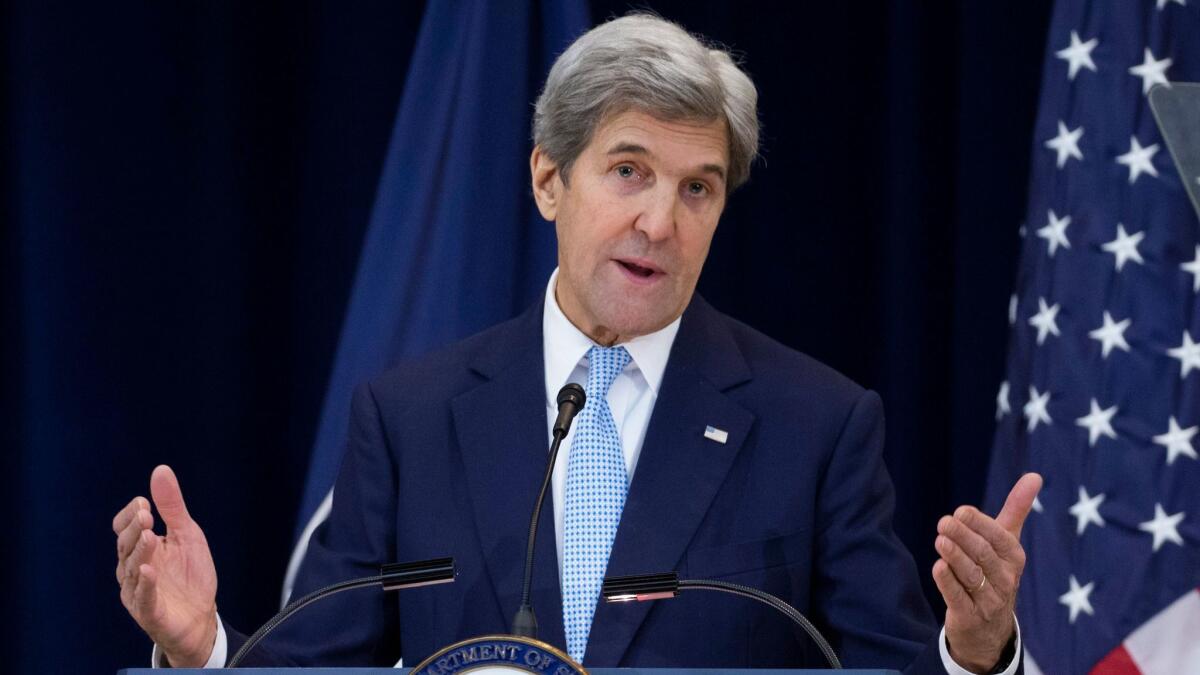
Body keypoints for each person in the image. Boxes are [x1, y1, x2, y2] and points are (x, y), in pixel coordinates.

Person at [112, 14, 1040, 674]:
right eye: (629, 171)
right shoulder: (410, 417)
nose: (659, 221)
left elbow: (894, 667)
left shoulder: (819, 424)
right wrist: (204, 653)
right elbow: (313, 667)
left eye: (697, 189)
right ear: (549, 179)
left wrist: (976, 653)